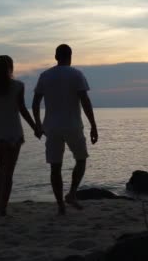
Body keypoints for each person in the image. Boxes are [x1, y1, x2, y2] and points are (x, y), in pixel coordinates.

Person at [33, 44, 98, 215]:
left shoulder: (45, 76)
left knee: (55, 167)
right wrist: (93, 125)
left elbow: (35, 102)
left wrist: (38, 124)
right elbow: (85, 101)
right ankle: (72, 193)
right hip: (73, 125)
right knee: (81, 159)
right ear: (70, 56)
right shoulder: (76, 74)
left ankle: (61, 205)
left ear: (56, 56)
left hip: (52, 128)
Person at [0, 55, 38, 216]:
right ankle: (3, 205)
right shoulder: (18, 86)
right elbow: (23, 110)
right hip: (13, 132)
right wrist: (35, 127)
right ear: (11, 67)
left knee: (1, 167)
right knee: (9, 170)